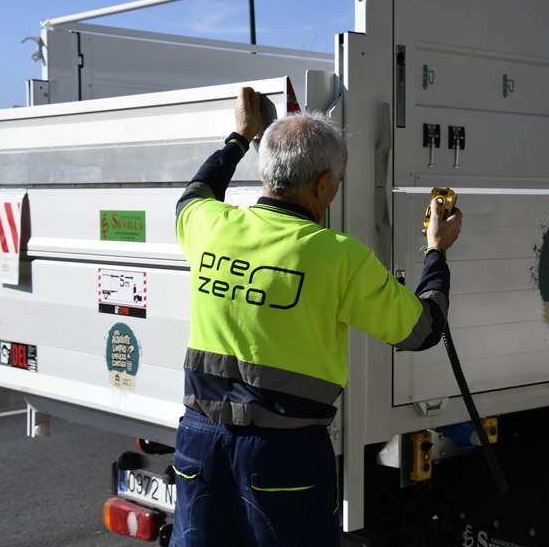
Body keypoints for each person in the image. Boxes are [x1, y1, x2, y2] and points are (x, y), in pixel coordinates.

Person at [170, 87, 462, 546]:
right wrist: (436, 251)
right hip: (284, 456)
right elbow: (422, 330)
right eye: (339, 182)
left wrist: (240, 136)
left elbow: (195, 193)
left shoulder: (210, 227)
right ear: (324, 183)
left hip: (199, 442)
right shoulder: (340, 258)